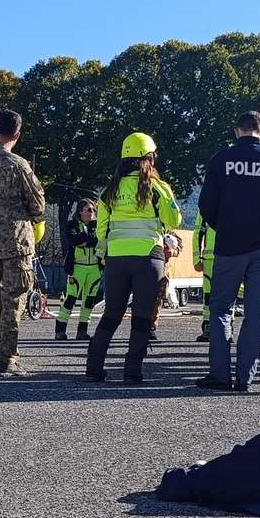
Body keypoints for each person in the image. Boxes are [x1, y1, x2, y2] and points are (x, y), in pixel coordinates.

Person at [195, 111, 260, 392]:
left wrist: (225, 227)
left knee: (220, 309)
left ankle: (220, 374)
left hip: (230, 245)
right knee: (255, 312)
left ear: (236, 131)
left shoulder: (221, 160)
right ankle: (245, 377)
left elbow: (206, 205)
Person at [84, 132, 182, 383]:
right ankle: (132, 371)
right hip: (148, 258)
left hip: (116, 259)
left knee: (111, 314)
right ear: (149, 157)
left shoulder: (110, 190)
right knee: (141, 318)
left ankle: (93, 368)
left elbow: (101, 230)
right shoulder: (158, 188)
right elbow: (174, 220)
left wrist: (107, 251)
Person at [0, 110, 47, 376]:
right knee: (14, 301)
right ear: (17, 134)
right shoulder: (18, 164)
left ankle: (3, 353)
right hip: (16, 242)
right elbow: (38, 206)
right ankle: (7, 359)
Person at [55, 199, 102, 341]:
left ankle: (82, 331)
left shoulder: (98, 225)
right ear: (80, 211)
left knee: (89, 301)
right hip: (77, 268)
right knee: (71, 299)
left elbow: (99, 241)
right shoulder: (72, 224)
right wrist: (87, 239)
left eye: (93, 210)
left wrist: (85, 241)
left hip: (95, 268)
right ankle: (60, 331)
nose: (92, 213)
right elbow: (73, 240)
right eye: (89, 210)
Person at [192, 211, 217, 342]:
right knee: (209, 296)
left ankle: (224, 328)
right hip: (212, 259)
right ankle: (208, 326)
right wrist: (196, 259)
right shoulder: (206, 206)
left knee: (228, 295)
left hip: (225, 259)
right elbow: (198, 233)